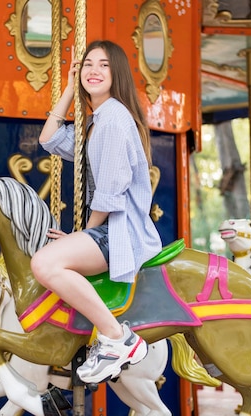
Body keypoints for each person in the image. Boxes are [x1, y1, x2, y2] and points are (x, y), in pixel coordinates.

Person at [31, 40, 163, 384]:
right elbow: (49, 139)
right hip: (107, 230)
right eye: (88, 64)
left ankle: (116, 337)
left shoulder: (114, 119)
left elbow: (109, 194)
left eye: (103, 65)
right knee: (46, 261)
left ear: (116, 72)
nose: (94, 70)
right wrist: (69, 90)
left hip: (118, 232)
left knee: (44, 263)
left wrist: (83, 235)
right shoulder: (96, 121)